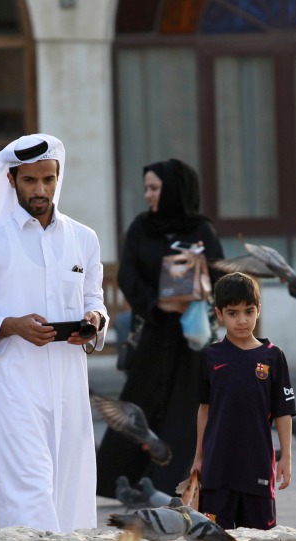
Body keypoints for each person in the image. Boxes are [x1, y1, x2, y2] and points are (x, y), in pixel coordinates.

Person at [0, 134, 108, 532]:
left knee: (73, 487)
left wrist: (93, 323)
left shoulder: (83, 238)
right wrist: (11, 326)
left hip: (71, 386)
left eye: (48, 180)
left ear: (58, 178)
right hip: (16, 386)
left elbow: (96, 301)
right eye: (30, 181)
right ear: (11, 180)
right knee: (30, 490)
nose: (40, 190)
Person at [94, 159, 224, 498]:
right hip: (153, 332)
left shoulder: (201, 230)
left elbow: (220, 272)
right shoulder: (141, 228)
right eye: (147, 189)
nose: (149, 195)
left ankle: (170, 484)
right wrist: (157, 301)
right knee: (140, 403)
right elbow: (128, 275)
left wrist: (200, 289)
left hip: (190, 339)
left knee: (186, 408)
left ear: (173, 190)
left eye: (154, 188)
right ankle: (119, 482)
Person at [190, 273, 296, 530]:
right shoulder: (210, 356)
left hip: (256, 464)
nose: (242, 320)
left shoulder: (273, 357)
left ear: (258, 310)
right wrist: (198, 457)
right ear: (219, 313)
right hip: (217, 467)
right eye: (233, 313)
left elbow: (283, 411)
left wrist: (286, 457)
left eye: (248, 311)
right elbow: (204, 409)